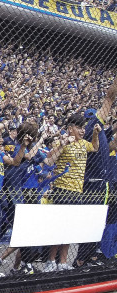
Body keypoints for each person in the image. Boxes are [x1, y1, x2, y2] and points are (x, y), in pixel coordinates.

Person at [44, 113, 100, 271]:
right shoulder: (61, 141)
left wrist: (95, 133)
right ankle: (50, 261)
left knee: (69, 228)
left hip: (77, 190)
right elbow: (49, 160)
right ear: (70, 128)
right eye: (79, 127)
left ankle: (62, 263)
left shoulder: (83, 143)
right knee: (59, 227)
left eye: (83, 127)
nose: (82, 131)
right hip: (62, 189)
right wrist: (62, 144)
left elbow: (95, 147)